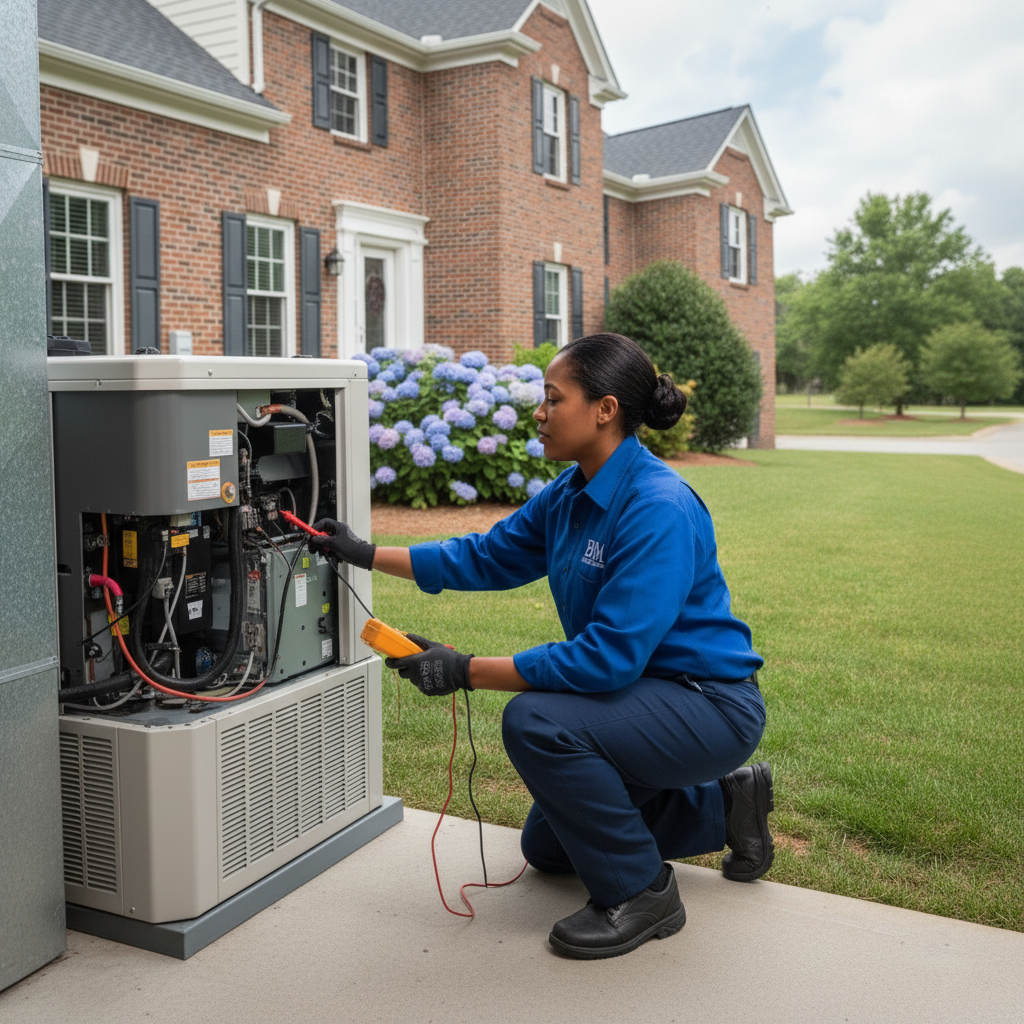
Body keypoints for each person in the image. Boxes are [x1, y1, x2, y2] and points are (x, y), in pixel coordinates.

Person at [310, 332, 774, 960]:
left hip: (706, 704)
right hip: (641, 695)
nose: (539, 412)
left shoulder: (655, 505)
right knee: (548, 850)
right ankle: (726, 806)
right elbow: (486, 555)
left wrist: (464, 670)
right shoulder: (573, 491)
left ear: (604, 410)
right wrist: (363, 554)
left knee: (537, 721)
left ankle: (643, 891)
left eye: (553, 399)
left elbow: (607, 658)